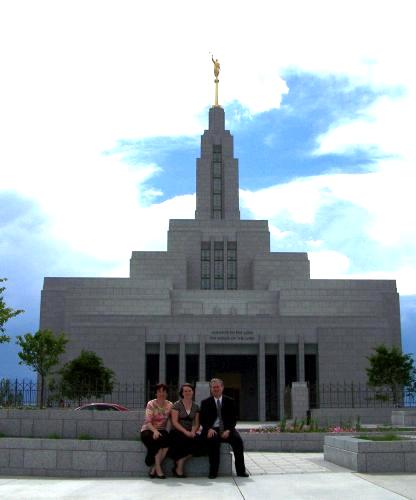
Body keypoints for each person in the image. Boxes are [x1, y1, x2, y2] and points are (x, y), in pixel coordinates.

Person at [200, 378, 249, 479]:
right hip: (212, 429)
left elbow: (234, 419)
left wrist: (229, 430)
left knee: (238, 441)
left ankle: (241, 471)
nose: (216, 389)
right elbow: (202, 419)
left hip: (227, 429)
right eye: (213, 387)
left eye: (218, 387)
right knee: (213, 442)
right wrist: (208, 428)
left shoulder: (230, 401)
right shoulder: (205, 402)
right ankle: (213, 471)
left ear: (222, 388)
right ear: (211, 389)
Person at [140, 383, 173, 479]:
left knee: (166, 445)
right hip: (148, 429)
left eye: (164, 391)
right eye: (159, 391)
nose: (161, 393)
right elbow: (148, 421)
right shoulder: (151, 403)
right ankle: (158, 469)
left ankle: (153, 468)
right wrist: (154, 431)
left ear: (167, 393)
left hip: (161, 430)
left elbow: (172, 420)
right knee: (158, 444)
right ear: (156, 393)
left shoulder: (170, 405)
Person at [169, 383, 200, 477]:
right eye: (185, 391)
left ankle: (180, 460)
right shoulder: (176, 405)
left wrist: (193, 432)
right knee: (182, 440)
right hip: (177, 431)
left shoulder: (196, 406)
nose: (187, 392)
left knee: (201, 442)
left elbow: (196, 423)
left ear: (193, 392)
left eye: (189, 391)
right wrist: (185, 432)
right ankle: (179, 469)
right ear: (182, 393)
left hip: (191, 431)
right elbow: (174, 422)